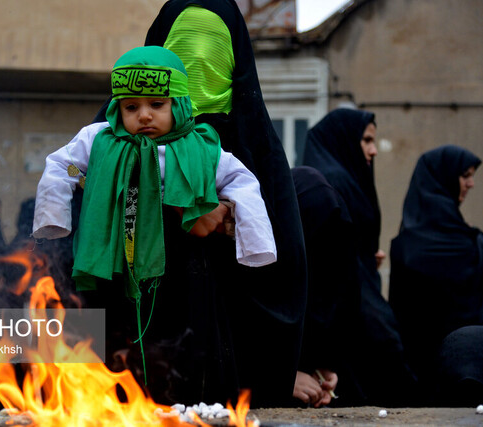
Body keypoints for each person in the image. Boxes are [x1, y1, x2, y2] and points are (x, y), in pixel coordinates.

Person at [33, 46, 276, 404]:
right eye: (131, 107)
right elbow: (61, 166)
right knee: (117, 348)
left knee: (174, 352)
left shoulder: (201, 149)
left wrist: (254, 242)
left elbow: (243, 184)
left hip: (180, 273)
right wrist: (66, 203)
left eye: (156, 105)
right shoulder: (99, 140)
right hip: (113, 269)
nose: (144, 116)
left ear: (178, 104)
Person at [141, 0, 308, 408]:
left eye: (212, 52)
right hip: (140, 375)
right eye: (183, 54)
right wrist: (176, 207)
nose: (197, 67)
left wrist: (236, 221)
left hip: (235, 384)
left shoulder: (258, 157)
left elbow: (284, 270)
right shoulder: (114, 141)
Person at [301, 108, 415, 406]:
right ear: (344, 140)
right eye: (366, 140)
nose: (374, 150)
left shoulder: (343, 176)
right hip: (347, 310)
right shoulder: (332, 181)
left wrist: (363, 253)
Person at [388, 145, 483, 404]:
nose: (471, 184)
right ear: (444, 178)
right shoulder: (473, 243)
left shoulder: (405, 246)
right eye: (465, 175)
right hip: (468, 372)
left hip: (416, 379)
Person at [291, 166, 359, 408]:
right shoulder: (253, 262)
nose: (325, 252)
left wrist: (323, 366)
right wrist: (283, 378)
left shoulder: (328, 262)